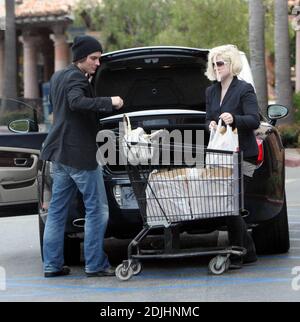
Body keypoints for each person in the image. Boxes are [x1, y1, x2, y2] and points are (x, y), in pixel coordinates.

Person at [40, 35, 124, 278]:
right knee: (97, 209)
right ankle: (95, 264)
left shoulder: (58, 76)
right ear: (80, 58)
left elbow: (61, 107)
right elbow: (76, 102)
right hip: (79, 155)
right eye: (93, 58)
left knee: (56, 211)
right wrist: (111, 101)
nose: (98, 63)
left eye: (98, 58)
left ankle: (52, 265)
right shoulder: (76, 78)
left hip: (59, 154)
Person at [205, 44, 259, 268]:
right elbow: (208, 116)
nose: (216, 67)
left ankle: (239, 253)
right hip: (223, 156)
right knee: (227, 203)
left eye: (220, 63)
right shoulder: (211, 91)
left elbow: (254, 120)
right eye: (213, 63)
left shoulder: (244, 89)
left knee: (233, 203)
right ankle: (248, 252)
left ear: (231, 64)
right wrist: (209, 123)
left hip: (245, 156)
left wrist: (234, 119)